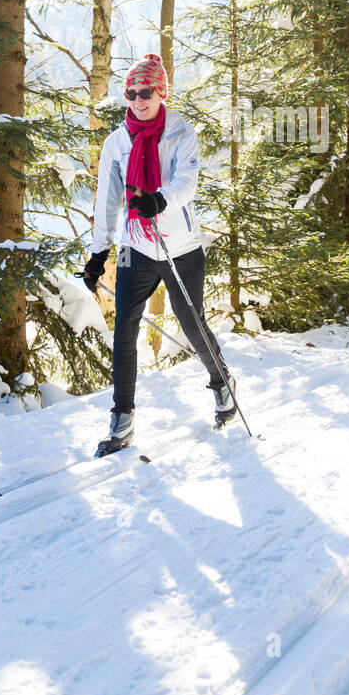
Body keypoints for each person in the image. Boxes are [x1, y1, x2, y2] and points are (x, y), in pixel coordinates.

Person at [81, 53, 237, 455]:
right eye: (131, 93)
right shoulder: (117, 142)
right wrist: (99, 253)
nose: (137, 99)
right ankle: (122, 419)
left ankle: (223, 384)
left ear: (160, 91)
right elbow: (107, 201)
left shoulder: (181, 133)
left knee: (191, 325)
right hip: (137, 246)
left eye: (145, 91)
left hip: (180, 247)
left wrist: (159, 200)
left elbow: (187, 182)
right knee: (124, 331)